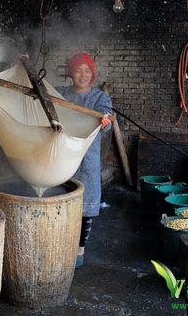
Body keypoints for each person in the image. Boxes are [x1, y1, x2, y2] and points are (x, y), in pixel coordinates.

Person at [57, 53, 112, 269]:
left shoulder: (100, 98)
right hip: (63, 154)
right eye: (78, 70)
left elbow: (105, 117)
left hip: (88, 156)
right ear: (71, 72)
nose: (82, 75)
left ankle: (80, 248)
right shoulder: (60, 93)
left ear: (92, 74)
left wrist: (105, 119)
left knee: (86, 203)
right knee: (62, 198)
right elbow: (41, 96)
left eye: (87, 70)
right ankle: (62, 243)